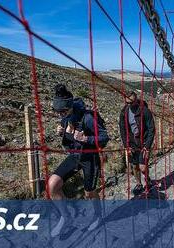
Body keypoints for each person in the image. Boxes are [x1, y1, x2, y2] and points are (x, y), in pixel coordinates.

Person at [49, 84, 110, 237]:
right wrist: (61, 133)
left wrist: (86, 138)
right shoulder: (65, 118)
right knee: (52, 184)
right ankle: (66, 217)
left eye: (63, 111)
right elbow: (69, 137)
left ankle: (98, 216)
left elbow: (104, 138)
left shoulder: (88, 118)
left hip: (90, 158)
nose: (61, 115)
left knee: (89, 193)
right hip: (75, 156)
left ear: (70, 106)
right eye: (58, 112)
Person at [119, 91, 155, 196]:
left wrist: (147, 146)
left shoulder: (145, 111)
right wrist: (126, 146)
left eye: (131, 102)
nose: (129, 105)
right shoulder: (124, 112)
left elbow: (151, 129)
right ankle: (139, 184)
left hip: (143, 142)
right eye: (127, 103)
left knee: (143, 167)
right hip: (132, 143)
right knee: (134, 166)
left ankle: (147, 179)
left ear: (136, 100)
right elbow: (122, 130)